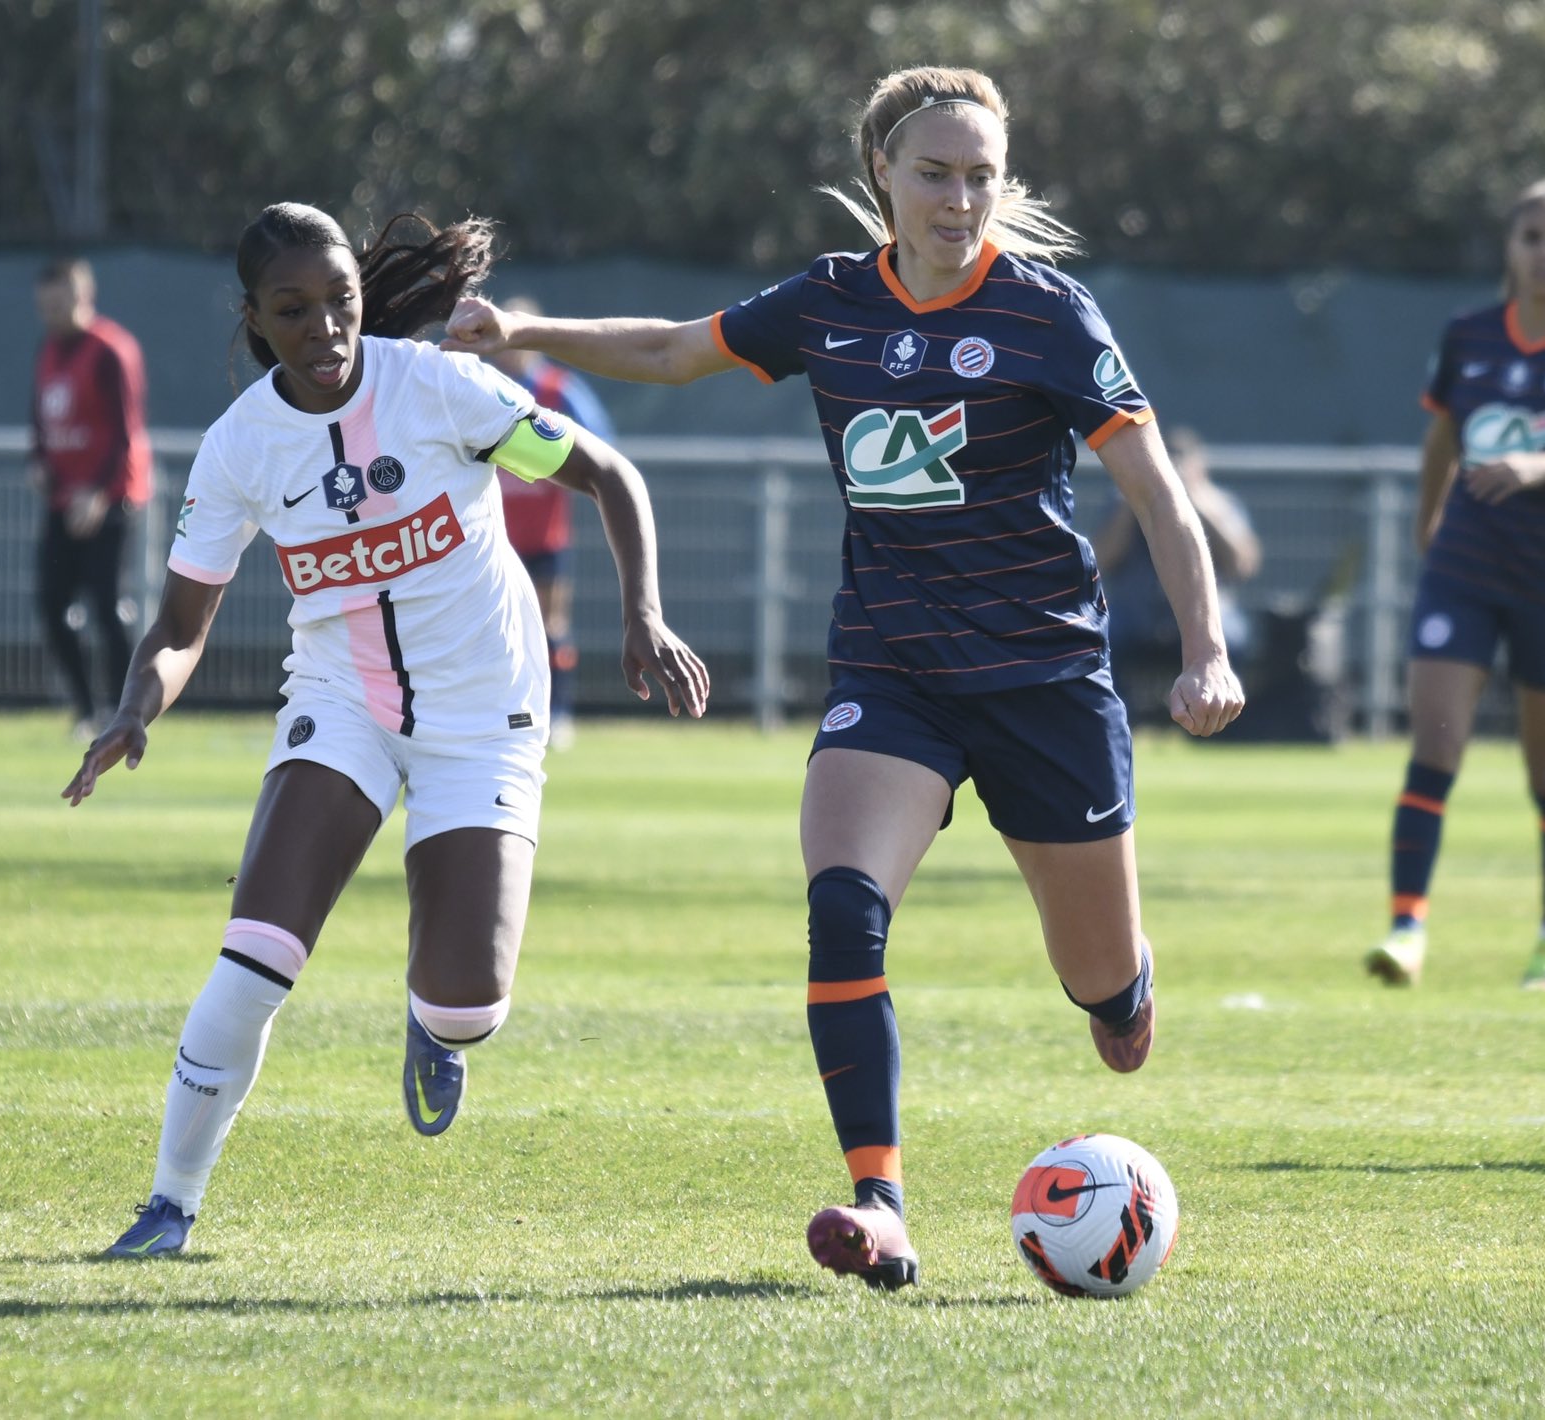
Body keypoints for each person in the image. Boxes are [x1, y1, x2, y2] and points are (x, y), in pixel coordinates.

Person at [445, 65, 1244, 1290]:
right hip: (893, 670)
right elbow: (669, 348)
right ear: (881, 171)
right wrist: (523, 333)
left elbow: (1155, 493)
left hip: (1043, 678)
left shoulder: (1048, 314)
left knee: (1106, 1009)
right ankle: (882, 1205)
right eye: (934, 173)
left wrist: (1204, 650)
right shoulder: (828, 302)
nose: (959, 199)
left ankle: (1122, 988)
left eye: (981, 176)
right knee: (840, 906)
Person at [63, 203, 709, 1258]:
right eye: (293, 311)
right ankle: (168, 1204)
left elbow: (606, 473)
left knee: (466, 1004)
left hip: (485, 707)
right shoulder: (238, 451)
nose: (322, 331)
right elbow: (179, 627)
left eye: (339, 305)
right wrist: (136, 707)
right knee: (252, 960)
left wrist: (643, 612)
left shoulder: (440, 387)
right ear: (254, 319)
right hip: (342, 704)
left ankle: (435, 1024)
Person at [1365, 176, 1545, 993]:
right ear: (1509, 247)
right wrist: (1429, 530)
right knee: (1435, 750)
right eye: (1530, 235)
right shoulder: (1470, 336)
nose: (1543, 251)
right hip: (1464, 572)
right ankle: (1406, 928)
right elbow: (1440, 441)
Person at [486, 296, 620, 749]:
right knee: (492, 629)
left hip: (543, 531)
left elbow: (601, 439)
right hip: (491, 534)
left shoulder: (555, 388)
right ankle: (499, 715)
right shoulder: (483, 386)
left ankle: (557, 714)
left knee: (549, 624)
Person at [30, 257, 154, 739]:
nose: (51, 315)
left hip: (110, 500)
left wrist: (98, 496)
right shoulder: (49, 350)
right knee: (51, 604)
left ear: (83, 298)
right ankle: (86, 710)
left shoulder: (110, 351)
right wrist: (37, 460)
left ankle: (127, 711)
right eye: (44, 306)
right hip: (63, 502)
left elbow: (126, 434)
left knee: (106, 606)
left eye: (59, 304)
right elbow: (39, 421)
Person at [1092, 426, 1262, 716]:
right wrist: (1141, 501)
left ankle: (1224, 721)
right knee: (1100, 637)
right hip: (1137, 614)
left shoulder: (1221, 503)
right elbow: (1101, 561)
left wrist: (1192, 502)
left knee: (1236, 637)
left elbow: (1243, 563)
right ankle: (1118, 717)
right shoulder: (1121, 501)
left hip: (1210, 615)